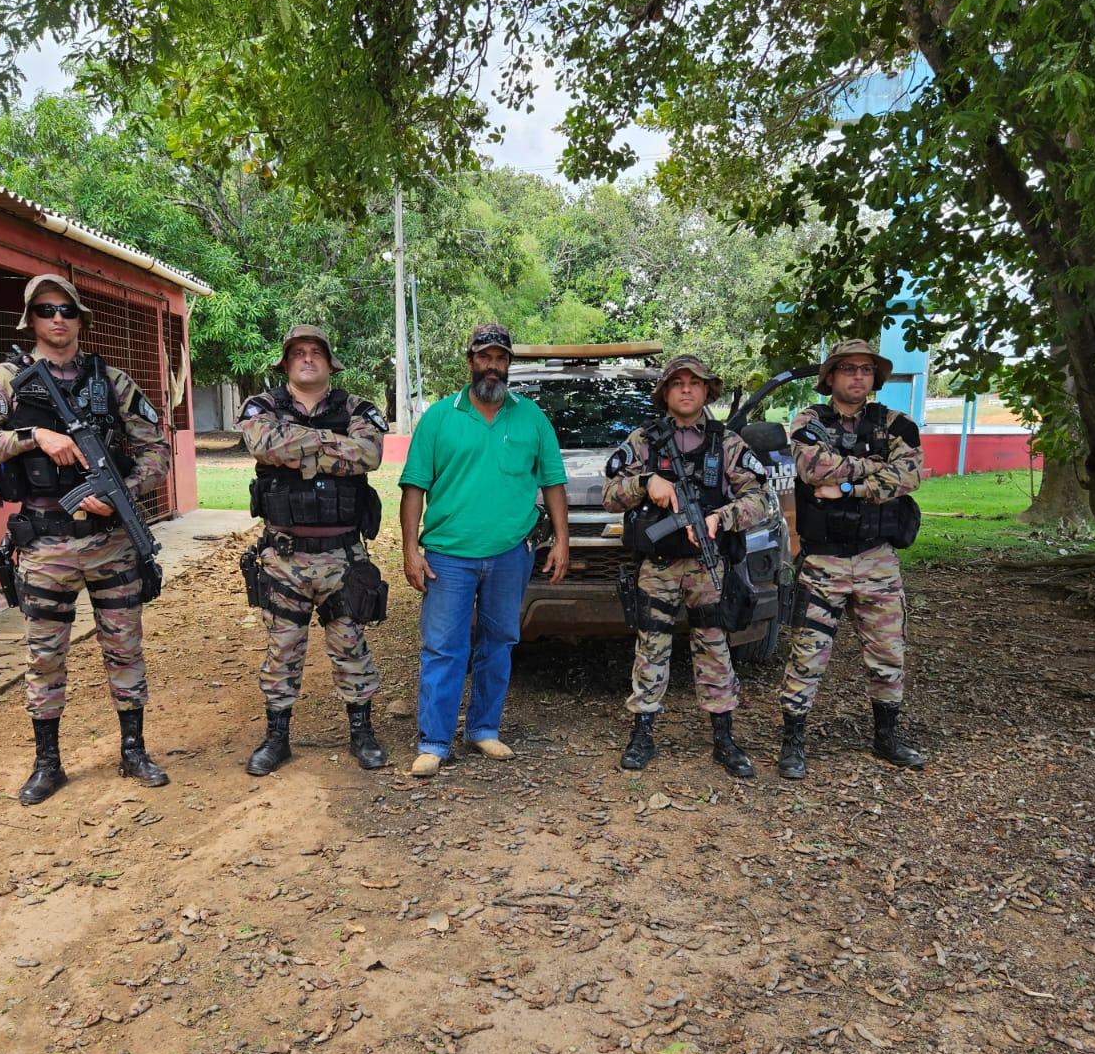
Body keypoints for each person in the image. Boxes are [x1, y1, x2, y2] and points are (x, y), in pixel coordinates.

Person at [0, 273, 170, 803]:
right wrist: (33, 438)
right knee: (45, 654)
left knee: (125, 647)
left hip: (111, 540)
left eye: (67, 311)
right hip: (45, 543)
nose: (58, 319)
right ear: (30, 319)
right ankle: (47, 762)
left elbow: (157, 451)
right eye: (47, 310)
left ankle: (133, 749)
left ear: (80, 320)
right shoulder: (5, 380)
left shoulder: (111, 380)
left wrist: (120, 491)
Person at [399, 323, 569, 778]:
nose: (492, 366)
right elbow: (413, 488)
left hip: (511, 553)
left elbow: (553, 483)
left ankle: (484, 729)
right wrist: (410, 549)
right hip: (447, 556)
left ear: (509, 364)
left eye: (500, 358)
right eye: (484, 357)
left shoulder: (531, 417)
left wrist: (563, 541)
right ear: (470, 360)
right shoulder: (439, 416)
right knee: (443, 647)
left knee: (499, 643)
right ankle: (434, 741)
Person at [602, 354, 771, 776]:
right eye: (677, 382)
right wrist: (646, 483)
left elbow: (758, 498)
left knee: (714, 645)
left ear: (707, 390)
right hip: (658, 565)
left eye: (694, 382)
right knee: (652, 646)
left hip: (706, 564)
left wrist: (721, 518)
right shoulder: (644, 440)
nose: (686, 389)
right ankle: (642, 732)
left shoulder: (726, 442)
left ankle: (724, 737)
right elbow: (610, 494)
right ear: (665, 392)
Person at [237, 324, 390, 774]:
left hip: (343, 555)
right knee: (282, 649)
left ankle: (362, 733)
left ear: (329, 361)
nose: (307, 358)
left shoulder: (358, 408)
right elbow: (263, 443)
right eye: (298, 353)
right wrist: (330, 446)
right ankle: (276, 738)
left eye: (316, 352)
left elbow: (368, 455)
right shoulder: (262, 407)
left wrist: (298, 447)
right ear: (286, 363)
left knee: (351, 646)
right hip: (284, 557)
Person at [778, 337, 926, 778]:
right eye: (848, 369)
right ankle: (793, 742)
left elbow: (911, 475)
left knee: (888, 652)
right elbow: (812, 470)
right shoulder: (809, 421)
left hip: (877, 559)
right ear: (830, 378)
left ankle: (887, 737)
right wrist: (874, 468)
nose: (858, 376)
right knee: (808, 655)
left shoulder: (897, 423)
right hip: (825, 562)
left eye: (865, 369)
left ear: (874, 377)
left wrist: (848, 487)